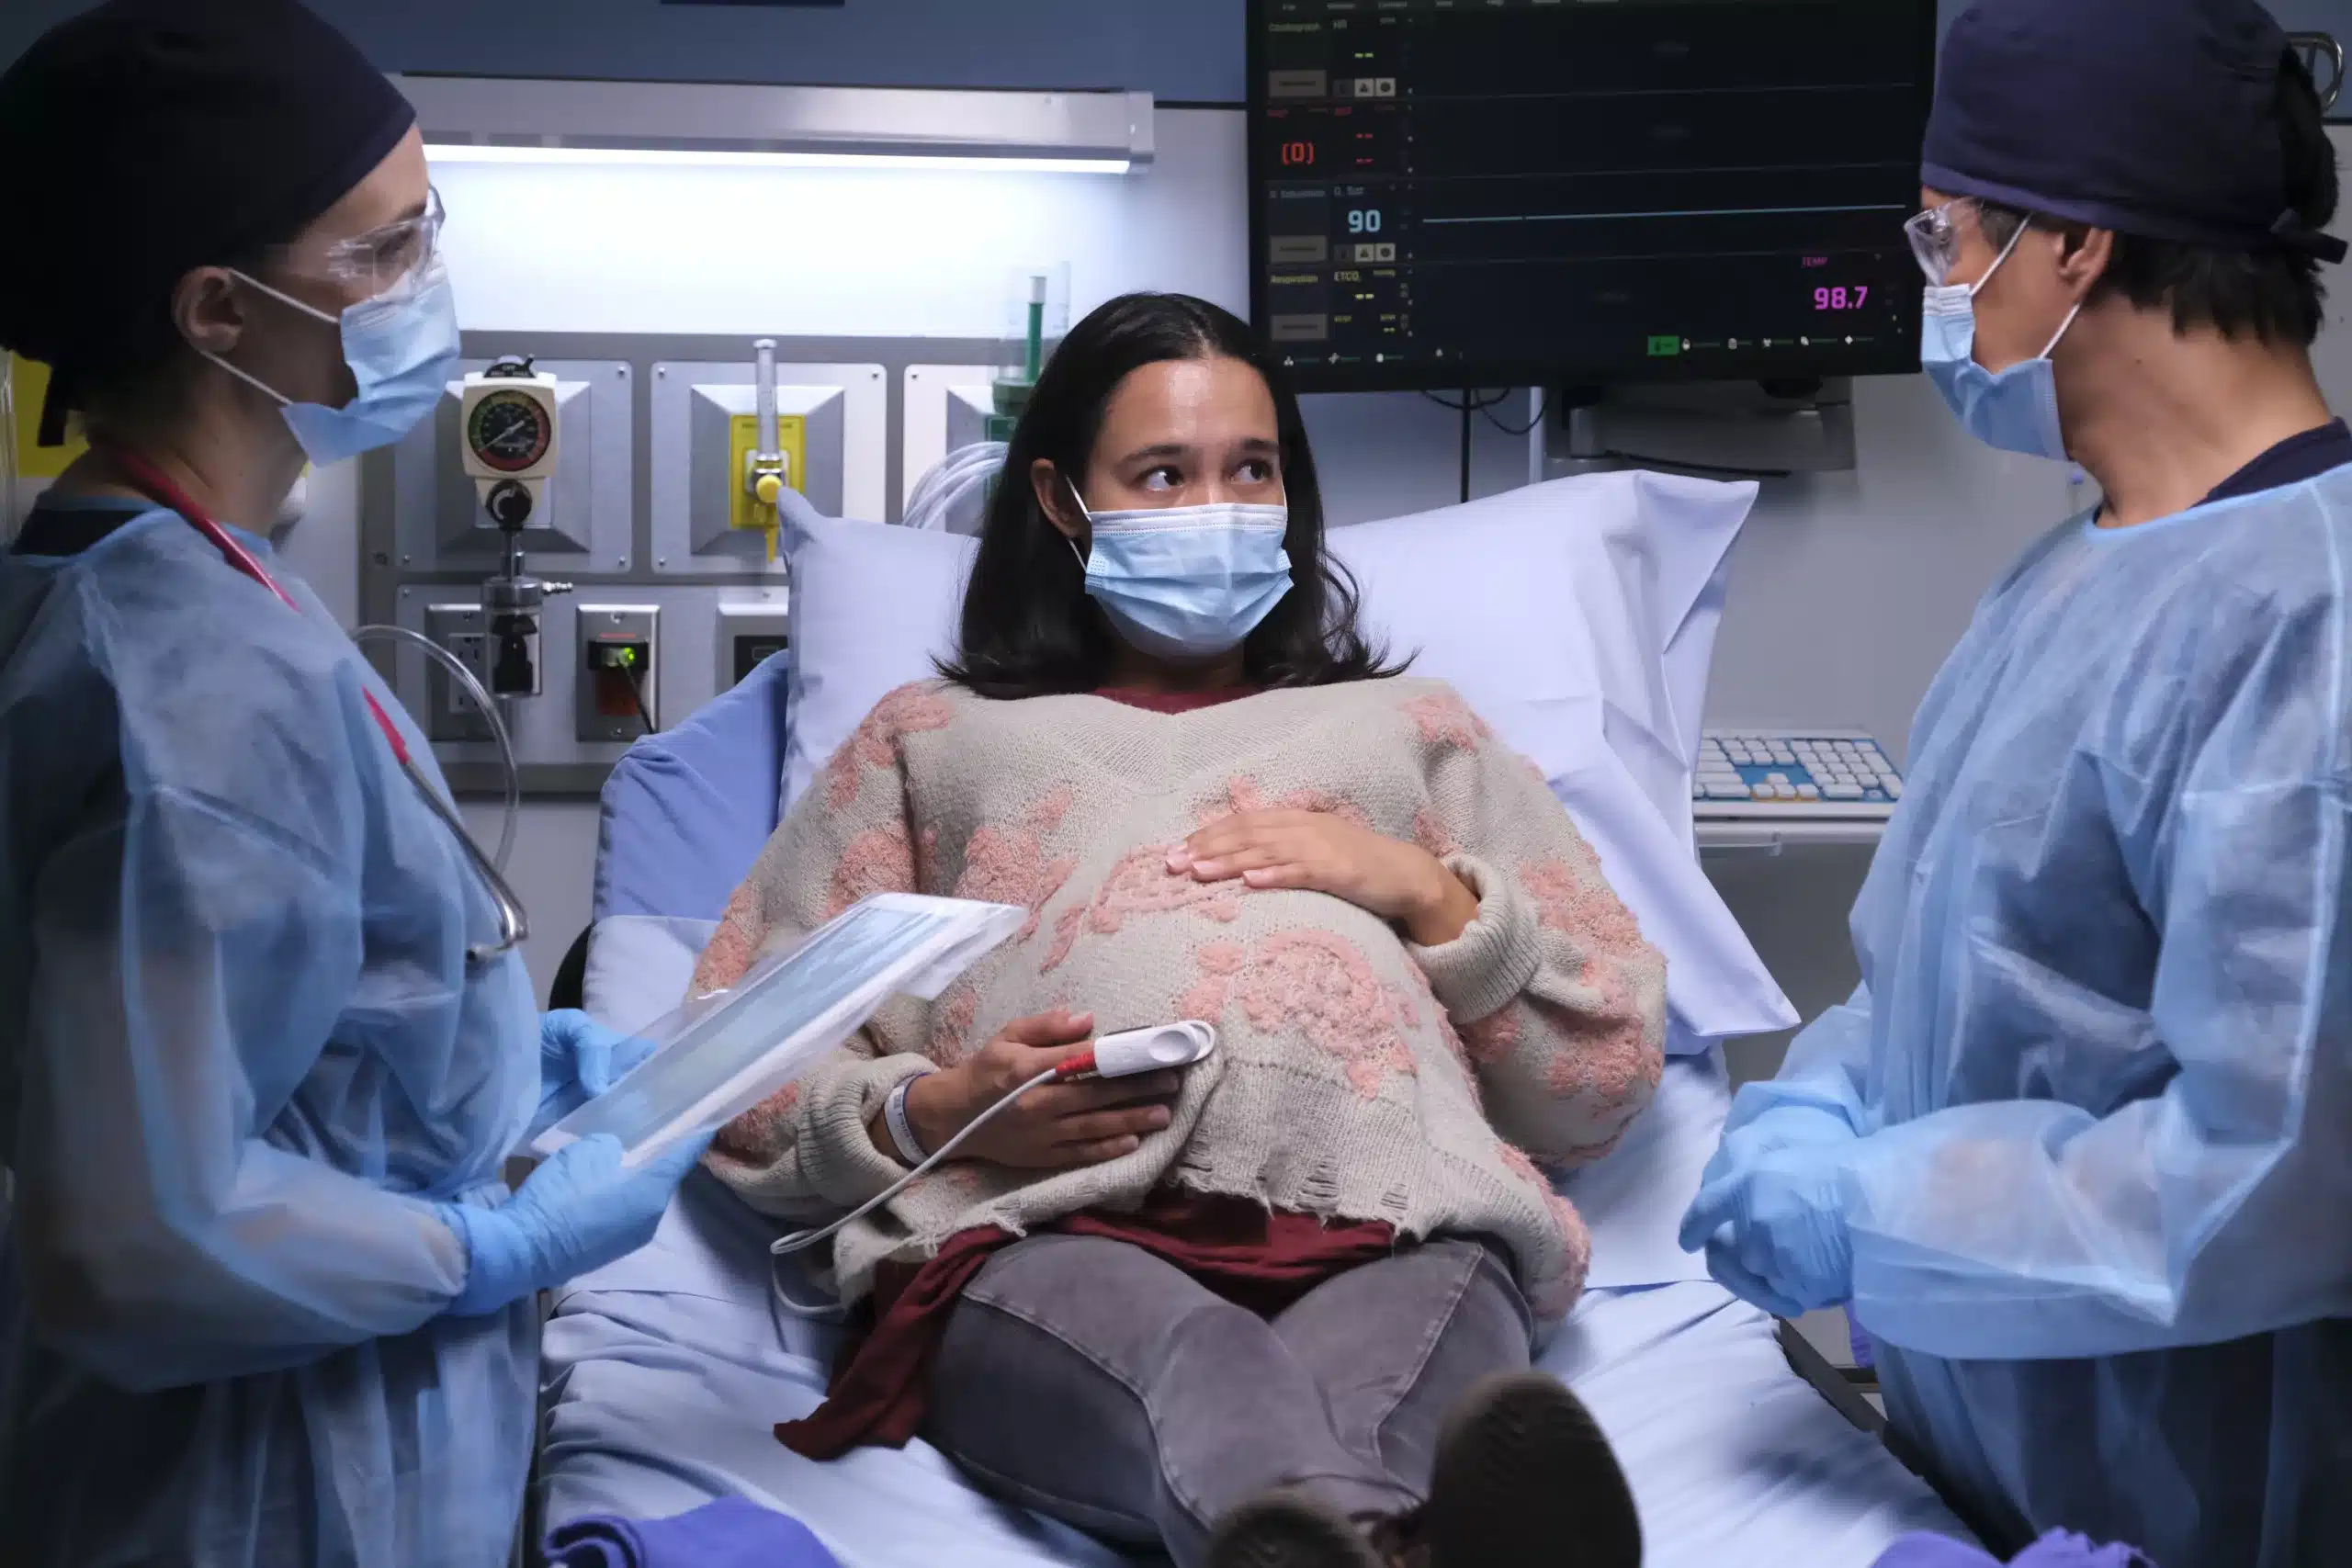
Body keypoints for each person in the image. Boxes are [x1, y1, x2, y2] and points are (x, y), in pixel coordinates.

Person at [690, 292, 1655, 1568]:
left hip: (1403, 1219)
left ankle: (1346, 1545)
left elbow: (1602, 1071)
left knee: (1358, 1427)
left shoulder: (1416, 728)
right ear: (1060, 499)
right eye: (1164, 474)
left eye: (1252, 469)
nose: (1219, 507)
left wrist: (1428, 894)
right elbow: (735, 1064)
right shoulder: (930, 743)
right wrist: (939, 1114)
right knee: (1205, 1367)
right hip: (1042, 1227)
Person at [0, 4, 706, 1562]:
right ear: (218, 312)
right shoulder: (190, 679)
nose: (427, 283)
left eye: (426, 227)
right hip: (261, 1482)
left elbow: (242, 1037)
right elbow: (137, 1235)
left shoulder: (170, 572)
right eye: (383, 252)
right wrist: (489, 1242)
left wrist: (487, 1063)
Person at [1677, 3, 2352, 1565]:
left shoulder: (2311, 616)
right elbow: (1935, 968)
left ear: (2075, 244)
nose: (1937, 286)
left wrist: (1869, 1213)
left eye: (1948, 237)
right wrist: (1820, 1109)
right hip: (1977, 1472)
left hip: (2203, 1507)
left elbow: (2277, 1172)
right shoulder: (2071, 574)